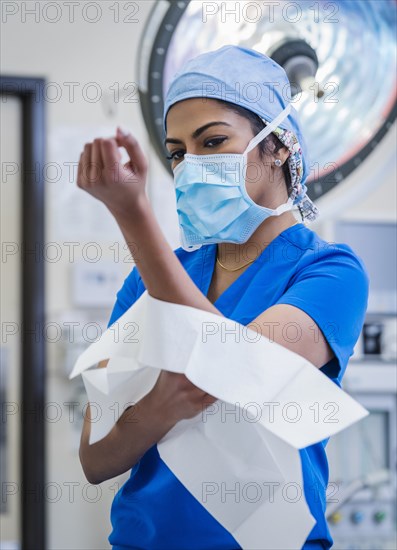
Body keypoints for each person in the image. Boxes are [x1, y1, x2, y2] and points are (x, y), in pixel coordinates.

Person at [76, 45, 369, 550]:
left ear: (277, 145)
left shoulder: (328, 273)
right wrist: (163, 408)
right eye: (177, 152)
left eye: (212, 142)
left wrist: (132, 213)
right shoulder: (148, 278)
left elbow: (229, 368)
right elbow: (96, 460)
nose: (191, 165)